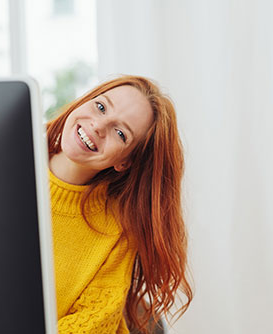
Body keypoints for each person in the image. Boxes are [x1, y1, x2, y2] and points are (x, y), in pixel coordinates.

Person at [46, 75, 193, 334]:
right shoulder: (7, 150)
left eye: (120, 133)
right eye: (100, 107)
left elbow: (92, 324)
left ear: (124, 162)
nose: (98, 126)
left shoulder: (116, 229)